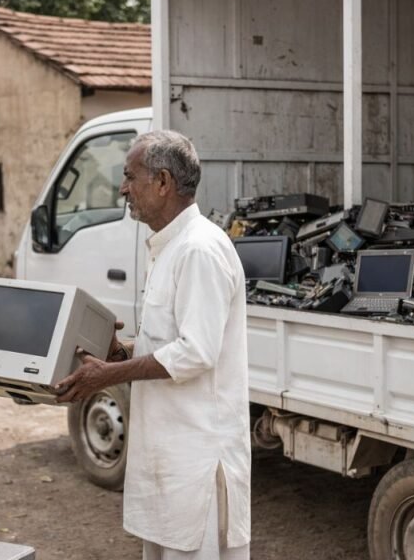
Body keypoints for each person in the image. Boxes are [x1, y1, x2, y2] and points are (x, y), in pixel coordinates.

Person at [56, 130, 252, 560]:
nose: (124, 188)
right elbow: (170, 341)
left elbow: (196, 352)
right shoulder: (170, 247)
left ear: (162, 182)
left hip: (195, 458)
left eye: (130, 177)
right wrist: (121, 351)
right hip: (170, 455)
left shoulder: (198, 249)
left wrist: (110, 375)